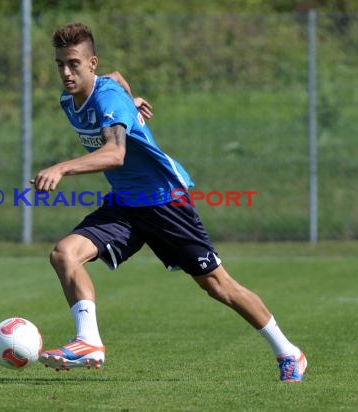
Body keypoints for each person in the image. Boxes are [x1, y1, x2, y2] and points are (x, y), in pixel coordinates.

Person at [31, 22, 307, 381]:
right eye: (59, 65)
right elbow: (117, 76)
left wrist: (64, 167)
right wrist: (131, 99)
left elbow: (115, 153)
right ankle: (89, 342)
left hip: (165, 201)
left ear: (91, 62)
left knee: (218, 286)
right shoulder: (72, 99)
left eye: (74, 64)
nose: (66, 73)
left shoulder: (106, 98)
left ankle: (289, 352)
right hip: (126, 204)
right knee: (64, 254)